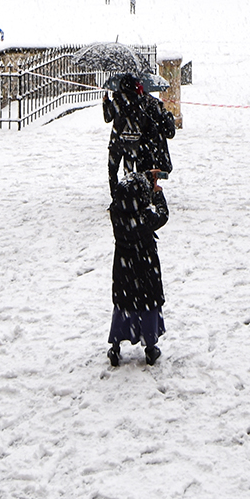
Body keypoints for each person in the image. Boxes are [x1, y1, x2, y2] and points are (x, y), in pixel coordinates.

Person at [107, 170, 168, 366]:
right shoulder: (145, 217)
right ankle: (150, 347)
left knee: (124, 304)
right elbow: (163, 214)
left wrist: (143, 177)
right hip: (146, 267)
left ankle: (115, 347)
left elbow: (125, 194)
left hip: (124, 270)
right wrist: (156, 192)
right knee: (147, 304)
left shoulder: (116, 213)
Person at [104, 77, 172, 199]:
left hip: (117, 142)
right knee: (128, 173)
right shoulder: (140, 101)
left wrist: (106, 103)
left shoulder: (117, 100)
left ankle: (116, 197)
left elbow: (107, 118)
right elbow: (143, 121)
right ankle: (128, 196)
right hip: (133, 143)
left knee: (112, 170)